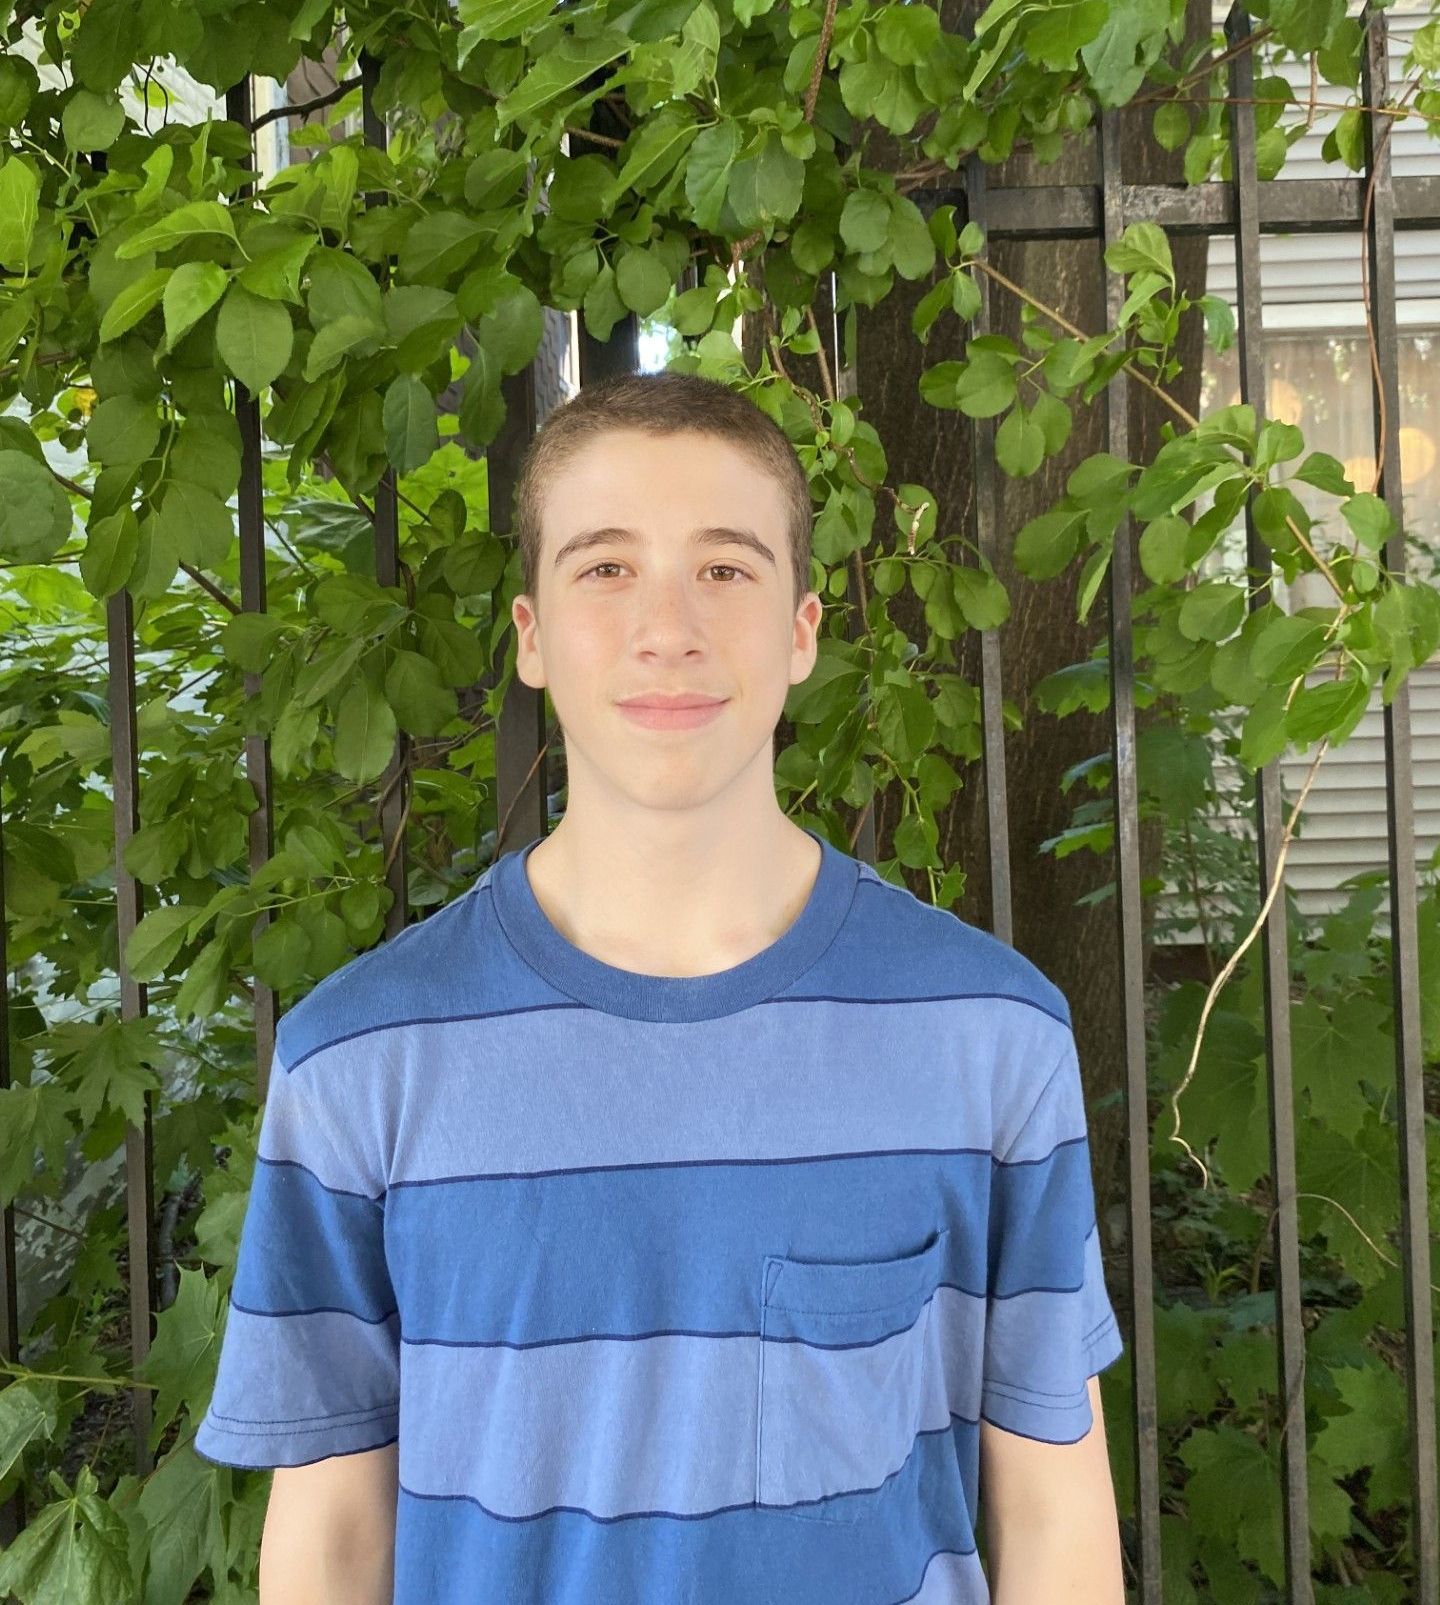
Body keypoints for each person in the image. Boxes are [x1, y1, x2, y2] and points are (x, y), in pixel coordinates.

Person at [195, 368, 1127, 1604]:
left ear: (802, 629)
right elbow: (332, 1537)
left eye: (727, 569)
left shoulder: (989, 1037)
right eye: (605, 567)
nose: (668, 627)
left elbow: (1052, 1509)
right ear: (530, 635)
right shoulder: (361, 1063)